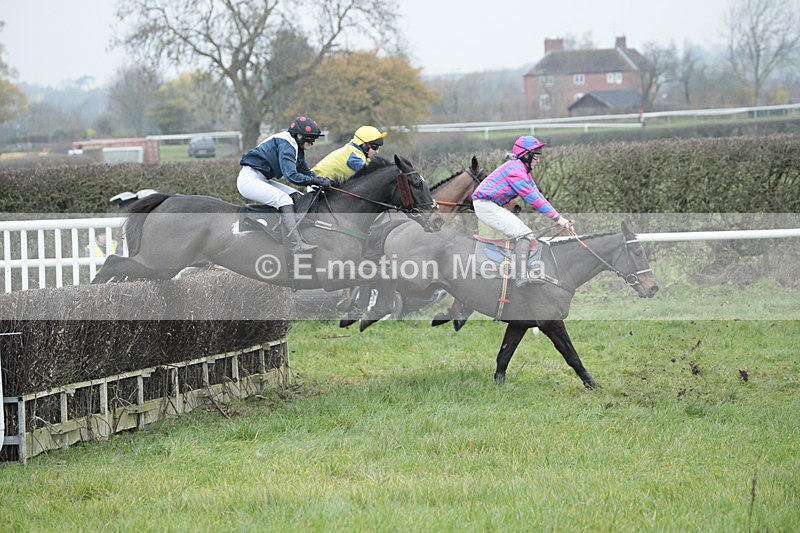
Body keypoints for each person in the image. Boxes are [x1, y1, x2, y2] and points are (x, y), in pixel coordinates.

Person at [472, 136, 574, 287]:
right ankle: (521, 277)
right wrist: (558, 219)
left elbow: (538, 195)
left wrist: (559, 218)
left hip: (491, 205)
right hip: (485, 205)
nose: (538, 160)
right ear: (526, 155)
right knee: (524, 234)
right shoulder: (516, 171)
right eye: (536, 156)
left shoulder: (522, 170)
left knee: (526, 233)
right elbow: (533, 199)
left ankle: (523, 270)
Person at [237, 116, 331, 253]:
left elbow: (305, 171)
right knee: (284, 199)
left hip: (261, 178)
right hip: (249, 180)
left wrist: (320, 179)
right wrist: (314, 181)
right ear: (299, 136)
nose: (313, 143)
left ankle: (299, 234)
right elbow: (291, 175)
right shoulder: (287, 145)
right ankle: (295, 244)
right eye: (310, 139)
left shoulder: (296, 147)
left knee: (297, 195)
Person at [311, 125, 387, 180]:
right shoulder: (355, 157)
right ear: (364, 145)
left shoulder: (355, 151)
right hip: (315, 183)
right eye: (375, 147)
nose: (377, 151)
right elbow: (371, 175)